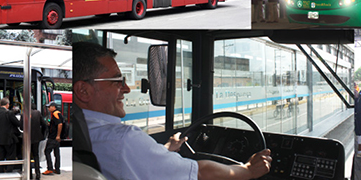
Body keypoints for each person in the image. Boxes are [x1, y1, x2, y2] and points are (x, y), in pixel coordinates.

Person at [73, 42, 272, 180]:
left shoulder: (83, 133)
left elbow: (128, 161)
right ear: (83, 90)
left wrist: (166, 149)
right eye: (117, 81)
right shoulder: (122, 139)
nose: (126, 89)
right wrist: (247, 170)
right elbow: (199, 173)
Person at [0, 98, 21, 173]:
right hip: (9, 138)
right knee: (11, 156)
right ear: (7, 104)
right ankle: (9, 171)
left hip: (0, 138)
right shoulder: (9, 113)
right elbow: (17, 123)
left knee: (1, 156)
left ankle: (0, 171)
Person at [43, 102, 63, 175]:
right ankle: (57, 169)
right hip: (56, 138)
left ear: (53, 107)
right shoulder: (59, 113)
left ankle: (50, 168)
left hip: (53, 137)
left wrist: (58, 135)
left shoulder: (55, 114)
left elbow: (60, 124)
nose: (48, 109)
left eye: (49, 107)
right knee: (56, 153)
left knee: (47, 151)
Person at [30, 107, 47, 179]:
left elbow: (21, 126)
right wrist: (42, 134)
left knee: (27, 156)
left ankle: (29, 175)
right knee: (36, 155)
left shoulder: (24, 113)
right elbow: (44, 125)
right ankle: (37, 174)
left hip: (28, 138)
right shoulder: (37, 113)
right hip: (36, 138)